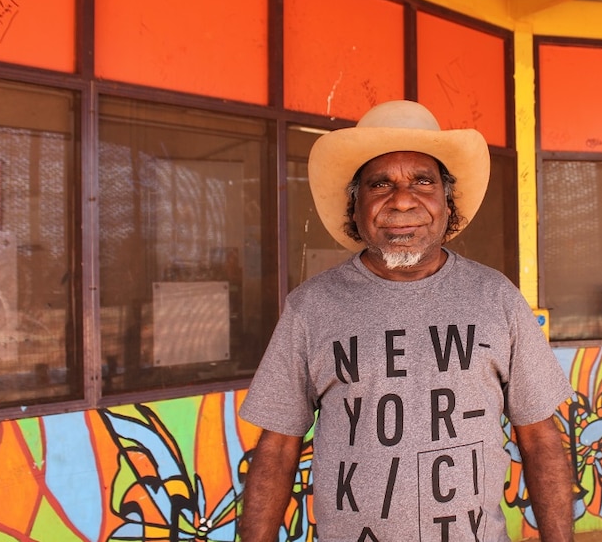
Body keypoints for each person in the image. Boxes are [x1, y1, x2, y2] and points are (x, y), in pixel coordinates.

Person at [238, 100, 575, 542]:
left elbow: (539, 438)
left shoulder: (497, 298)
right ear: (355, 210)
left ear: (446, 203)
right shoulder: (311, 307)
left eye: (422, 181)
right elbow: (277, 449)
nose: (401, 201)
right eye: (380, 184)